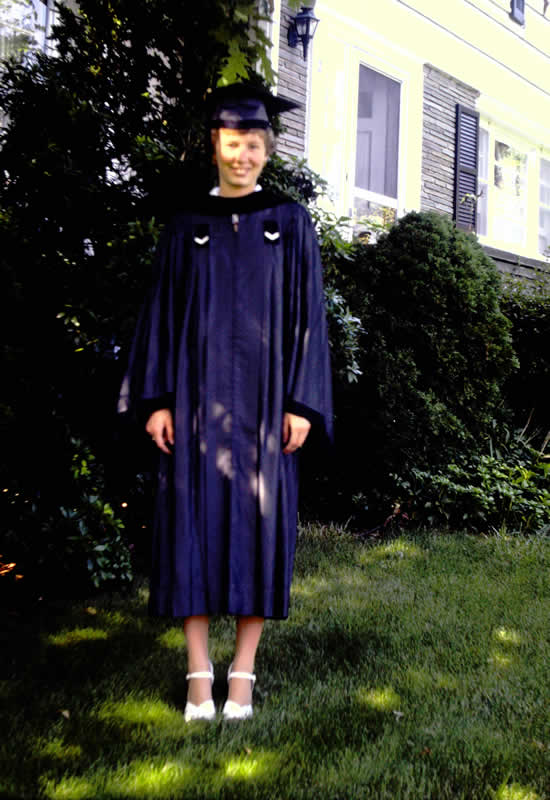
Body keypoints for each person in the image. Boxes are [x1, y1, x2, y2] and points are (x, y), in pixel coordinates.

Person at [119, 83, 332, 722]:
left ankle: (242, 671)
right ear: (215, 144)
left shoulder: (290, 223)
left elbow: (308, 319)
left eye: (254, 145)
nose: (243, 156)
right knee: (188, 530)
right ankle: (197, 672)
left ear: (267, 150)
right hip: (194, 407)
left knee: (259, 529)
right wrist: (156, 400)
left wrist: (302, 404)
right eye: (233, 143)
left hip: (267, 409)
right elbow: (160, 315)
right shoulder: (186, 225)